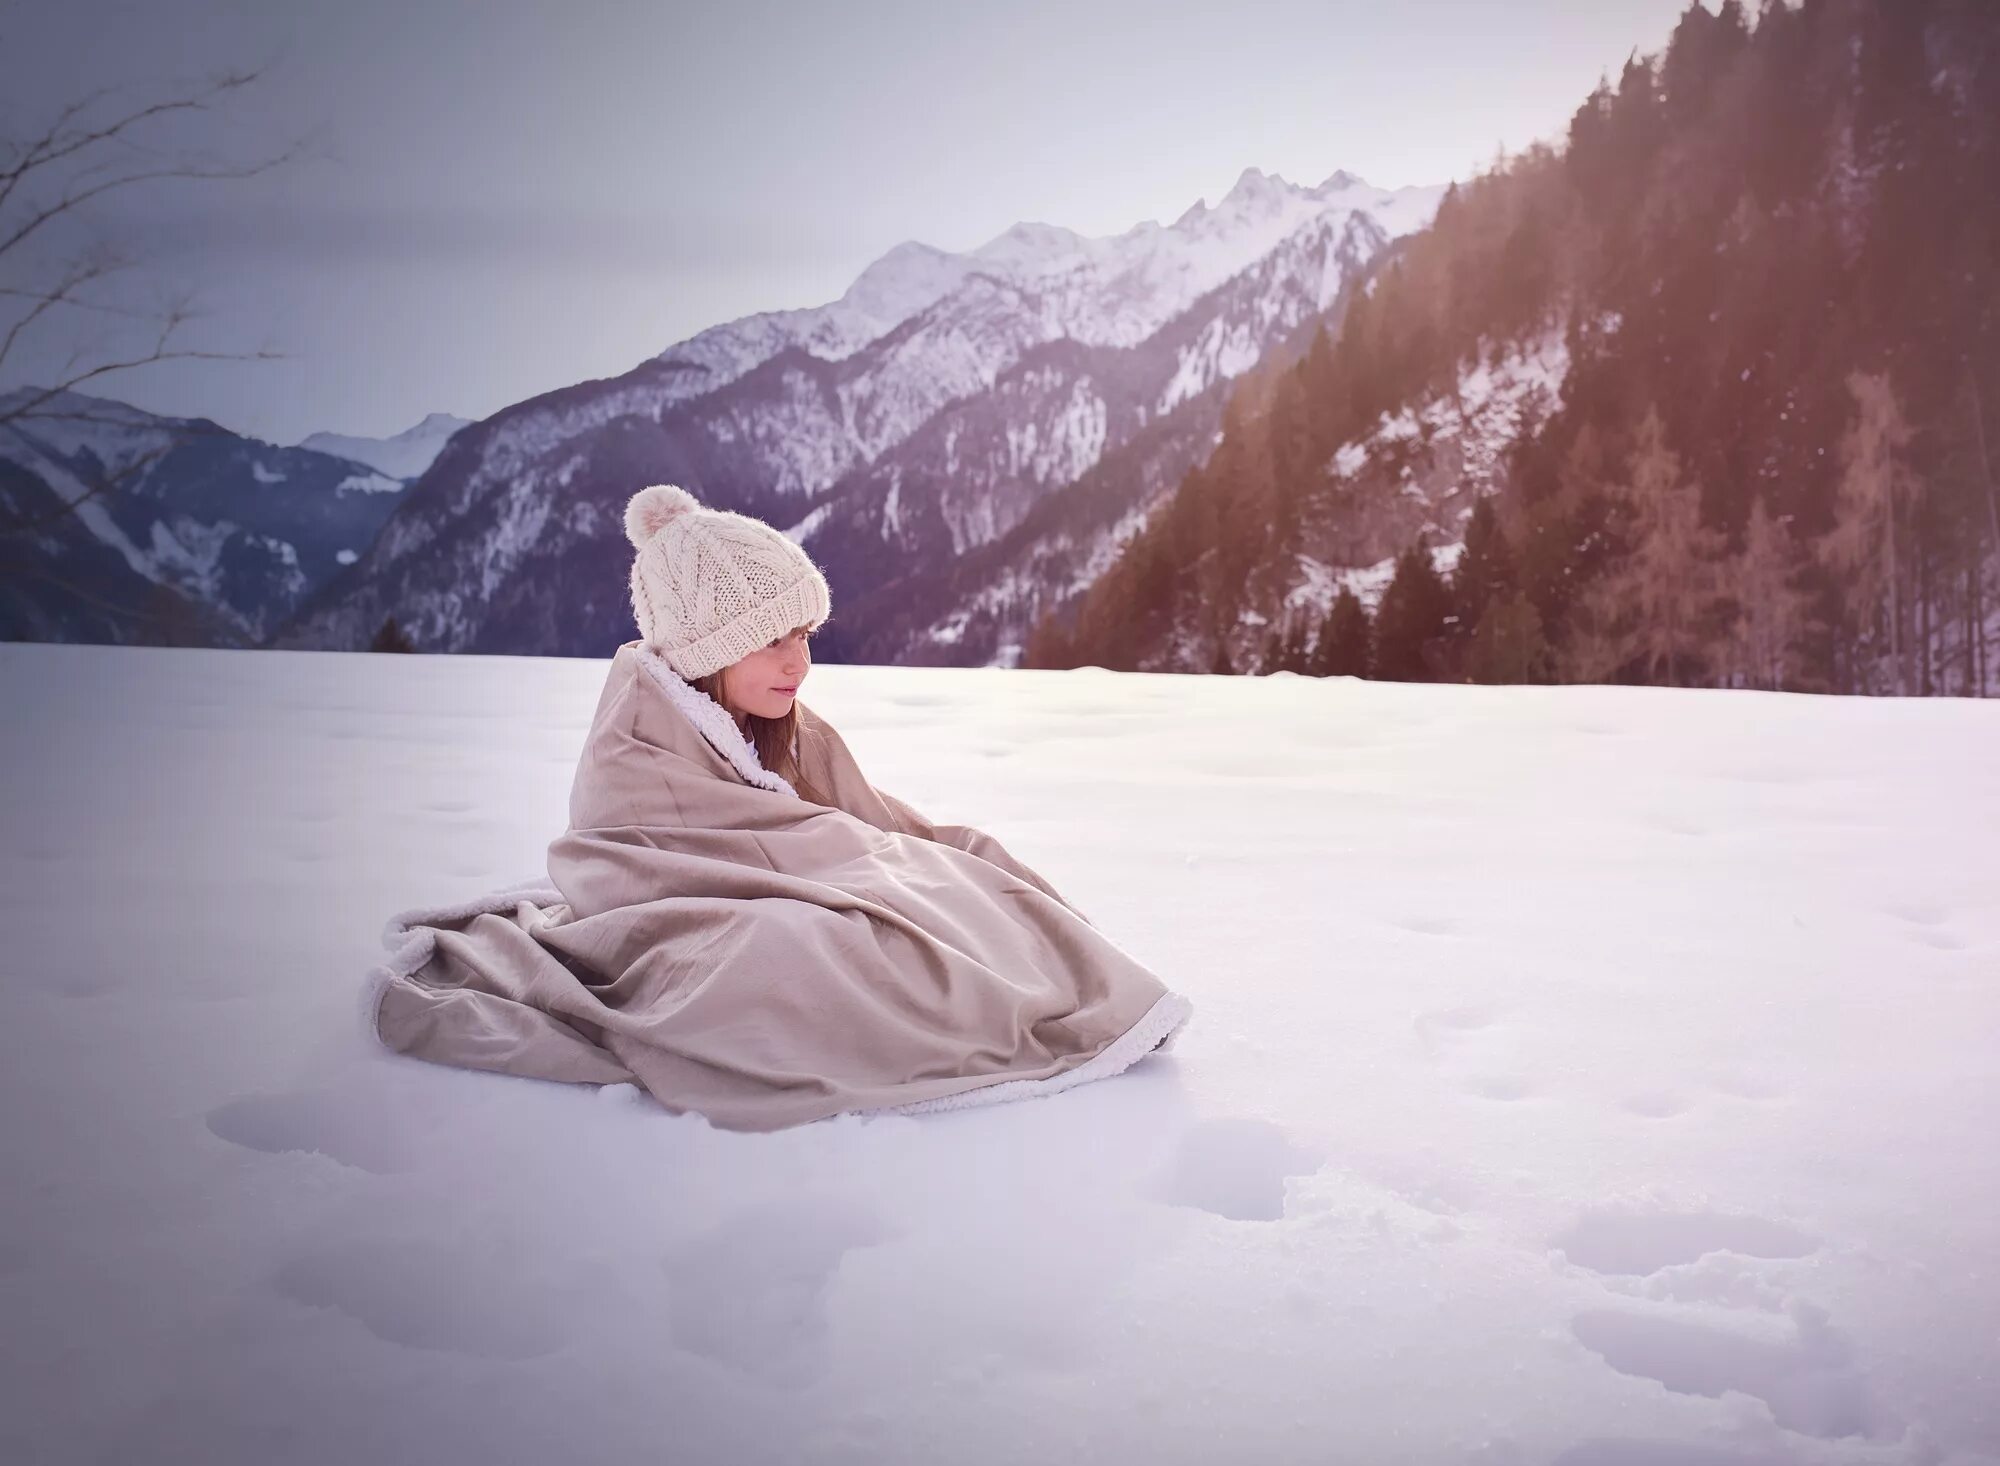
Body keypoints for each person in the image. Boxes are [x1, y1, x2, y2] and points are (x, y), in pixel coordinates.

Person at [363, 484, 1192, 1132]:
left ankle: (1073, 996)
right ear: (706, 651)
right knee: (790, 947)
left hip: (776, 890)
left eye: (805, 634)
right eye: (772, 640)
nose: (799, 662)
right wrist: (830, 871)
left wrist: (905, 860)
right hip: (694, 918)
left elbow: (862, 824)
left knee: (963, 859)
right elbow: (634, 871)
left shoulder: (778, 716)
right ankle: (1005, 1006)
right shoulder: (637, 738)